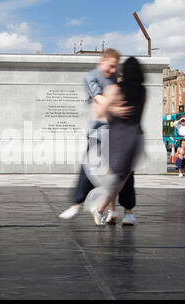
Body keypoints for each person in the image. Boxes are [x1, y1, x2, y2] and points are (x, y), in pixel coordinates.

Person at [58, 48, 135, 225]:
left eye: (116, 67)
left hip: (118, 132)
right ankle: (77, 204)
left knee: (124, 174)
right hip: (100, 132)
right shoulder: (91, 77)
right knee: (89, 167)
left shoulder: (117, 76)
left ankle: (123, 210)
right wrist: (115, 108)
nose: (113, 70)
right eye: (111, 66)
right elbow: (98, 98)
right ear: (102, 61)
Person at [87, 56, 146, 226]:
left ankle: (110, 210)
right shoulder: (142, 90)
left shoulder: (116, 88)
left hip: (114, 135)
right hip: (133, 135)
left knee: (115, 176)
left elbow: (102, 112)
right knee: (122, 177)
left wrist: (113, 110)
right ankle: (102, 208)